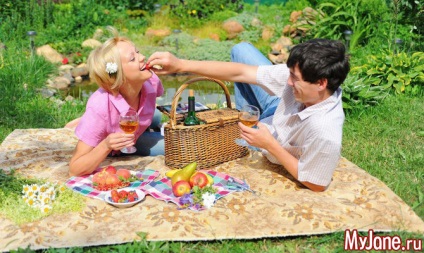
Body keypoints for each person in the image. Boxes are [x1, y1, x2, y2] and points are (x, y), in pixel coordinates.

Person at [147, 39, 350, 192]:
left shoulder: (324, 130)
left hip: (267, 139)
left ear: (321, 83)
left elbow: (316, 184)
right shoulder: (303, 83)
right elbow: (241, 73)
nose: (288, 82)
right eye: (289, 74)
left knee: (218, 141)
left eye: (294, 78)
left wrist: (270, 145)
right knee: (241, 50)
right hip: (276, 112)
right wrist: (180, 65)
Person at [68, 26, 164, 177]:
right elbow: (75, 169)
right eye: (133, 58)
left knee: (157, 116)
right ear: (118, 76)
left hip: (137, 127)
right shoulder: (100, 107)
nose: (142, 57)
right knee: (173, 146)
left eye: (137, 52)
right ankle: (88, 123)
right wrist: (106, 145)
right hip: (125, 139)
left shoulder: (151, 80)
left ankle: (82, 121)